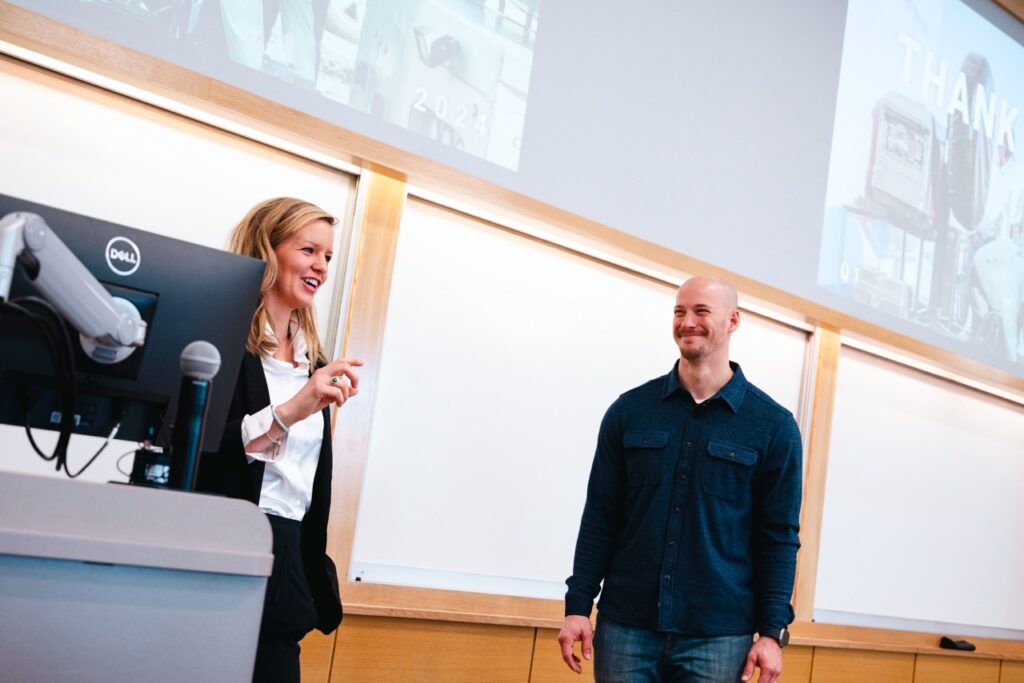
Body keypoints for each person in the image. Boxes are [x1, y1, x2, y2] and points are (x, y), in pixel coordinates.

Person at [558, 276, 802, 683]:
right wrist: (578, 605)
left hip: (720, 637)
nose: (687, 321)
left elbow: (777, 537)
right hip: (625, 628)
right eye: (679, 311)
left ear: (734, 321)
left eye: (701, 311)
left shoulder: (773, 427)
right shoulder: (629, 411)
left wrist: (772, 633)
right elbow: (600, 515)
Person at [197, 197, 363, 683]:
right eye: (309, 250)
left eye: (328, 257)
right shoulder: (220, 341)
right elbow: (199, 450)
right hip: (222, 544)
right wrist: (291, 411)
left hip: (287, 555)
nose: (321, 267)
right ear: (267, 250)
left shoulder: (316, 362)